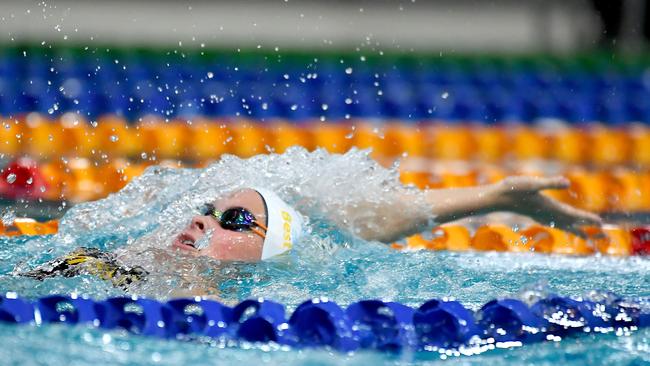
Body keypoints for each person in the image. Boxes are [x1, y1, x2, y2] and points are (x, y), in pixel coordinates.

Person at [20, 173, 601, 289]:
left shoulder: (276, 300)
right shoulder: (91, 264)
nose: (202, 219)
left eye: (238, 221)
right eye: (206, 207)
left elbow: (359, 225)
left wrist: (498, 198)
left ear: (272, 252)